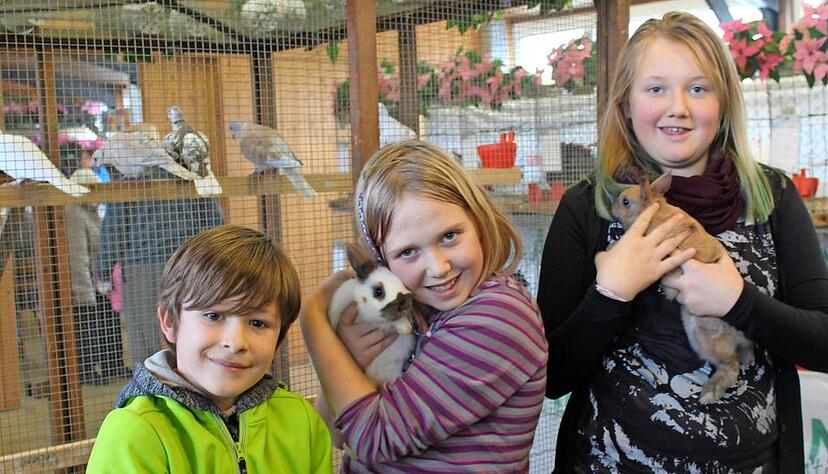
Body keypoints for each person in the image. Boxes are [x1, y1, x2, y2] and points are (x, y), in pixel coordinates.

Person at [537, 11, 828, 472]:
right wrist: (610, 294)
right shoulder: (587, 207)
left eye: (698, 88)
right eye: (656, 89)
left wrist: (738, 301)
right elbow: (551, 377)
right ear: (626, 104)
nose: (678, 107)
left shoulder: (772, 195)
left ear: (723, 101)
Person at [300, 139, 548, 472]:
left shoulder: (499, 315)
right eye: (407, 252)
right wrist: (353, 361)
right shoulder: (412, 309)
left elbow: (375, 438)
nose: (438, 268)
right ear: (381, 260)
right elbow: (332, 433)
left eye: (449, 236)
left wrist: (313, 319)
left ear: (477, 220)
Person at [86, 225, 332, 473]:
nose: (236, 343)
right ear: (170, 322)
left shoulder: (301, 419)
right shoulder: (134, 433)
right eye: (213, 316)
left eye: (258, 323)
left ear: (279, 338)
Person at [95, 164, 225, 370]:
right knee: (190, 327)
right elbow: (215, 222)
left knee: (144, 335)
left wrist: (103, 272)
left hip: (141, 268)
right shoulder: (188, 176)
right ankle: (194, 378)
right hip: (188, 264)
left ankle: (149, 384)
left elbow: (113, 232)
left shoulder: (129, 182)